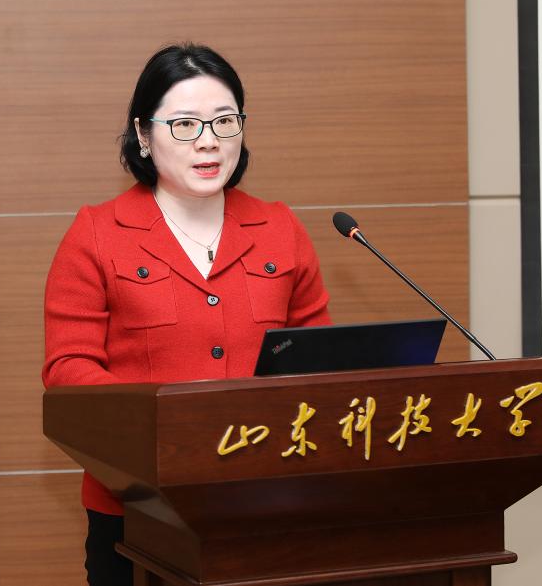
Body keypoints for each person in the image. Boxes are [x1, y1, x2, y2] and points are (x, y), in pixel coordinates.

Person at [42, 43, 331, 586]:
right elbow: (68, 371)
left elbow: (319, 358)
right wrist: (166, 429)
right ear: (143, 135)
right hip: (137, 510)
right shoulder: (96, 235)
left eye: (224, 121)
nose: (208, 140)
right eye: (184, 124)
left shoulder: (281, 228)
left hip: (267, 504)